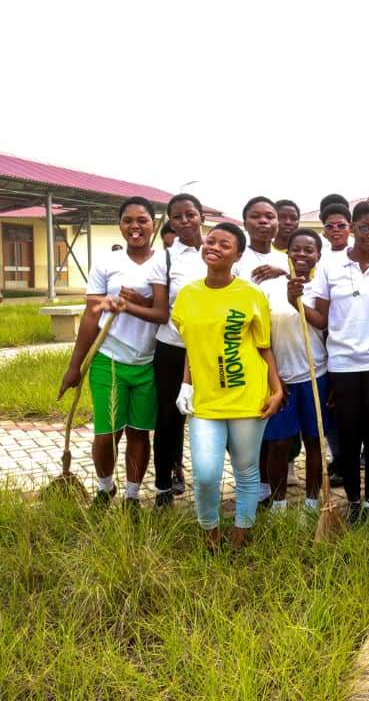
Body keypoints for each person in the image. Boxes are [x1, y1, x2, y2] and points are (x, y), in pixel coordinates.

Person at [172, 222, 285, 549]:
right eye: (211, 241)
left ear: (237, 255)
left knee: (246, 470)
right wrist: (185, 385)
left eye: (225, 244)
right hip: (206, 400)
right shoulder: (188, 295)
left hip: (248, 397)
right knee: (206, 473)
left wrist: (277, 390)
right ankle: (210, 533)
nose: (215, 247)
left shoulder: (251, 295)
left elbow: (264, 347)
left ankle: (240, 534)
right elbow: (193, 346)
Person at [58, 196, 169, 508]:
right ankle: (105, 489)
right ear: (120, 225)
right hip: (109, 359)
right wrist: (74, 366)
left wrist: (136, 304)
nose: (135, 226)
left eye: (142, 220)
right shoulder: (106, 263)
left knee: (139, 433)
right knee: (106, 434)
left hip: (149, 362)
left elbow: (167, 311)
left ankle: (132, 496)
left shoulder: (164, 262)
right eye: (127, 220)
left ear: (153, 224)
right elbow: (91, 315)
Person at [306, 201, 369, 522]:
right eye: (365, 228)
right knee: (348, 436)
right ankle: (354, 501)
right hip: (342, 363)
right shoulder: (330, 267)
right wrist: (295, 302)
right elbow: (321, 319)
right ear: (354, 227)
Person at [260, 228, 328, 512]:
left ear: (318, 256)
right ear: (287, 253)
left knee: (314, 441)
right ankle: (278, 505)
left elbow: (323, 323)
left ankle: (312, 503)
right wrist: (274, 379)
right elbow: (262, 338)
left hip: (315, 375)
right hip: (281, 378)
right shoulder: (270, 287)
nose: (302, 254)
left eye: (308, 250)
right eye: (296, 249)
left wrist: (295, 301)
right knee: (278, 443)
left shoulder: (321, 286)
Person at [151, 193, 207, 506]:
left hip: (211, 349)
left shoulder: (217, 249)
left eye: (190, 214)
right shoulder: (166, 258)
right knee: (169, 417)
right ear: (170, 221)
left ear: (201, 216)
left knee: (212, 414)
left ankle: (213, 483)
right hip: (172, 348)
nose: (184, 221)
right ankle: (164, 485)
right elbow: (159, 305)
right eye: (177, 216)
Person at [234, 196, 289, 283]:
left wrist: (283, 273)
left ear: (278, 224)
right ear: (245, 225)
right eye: (255, 216)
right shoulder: (234, 258)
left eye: (270, 217)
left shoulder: (287, 260)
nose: (263, 221)